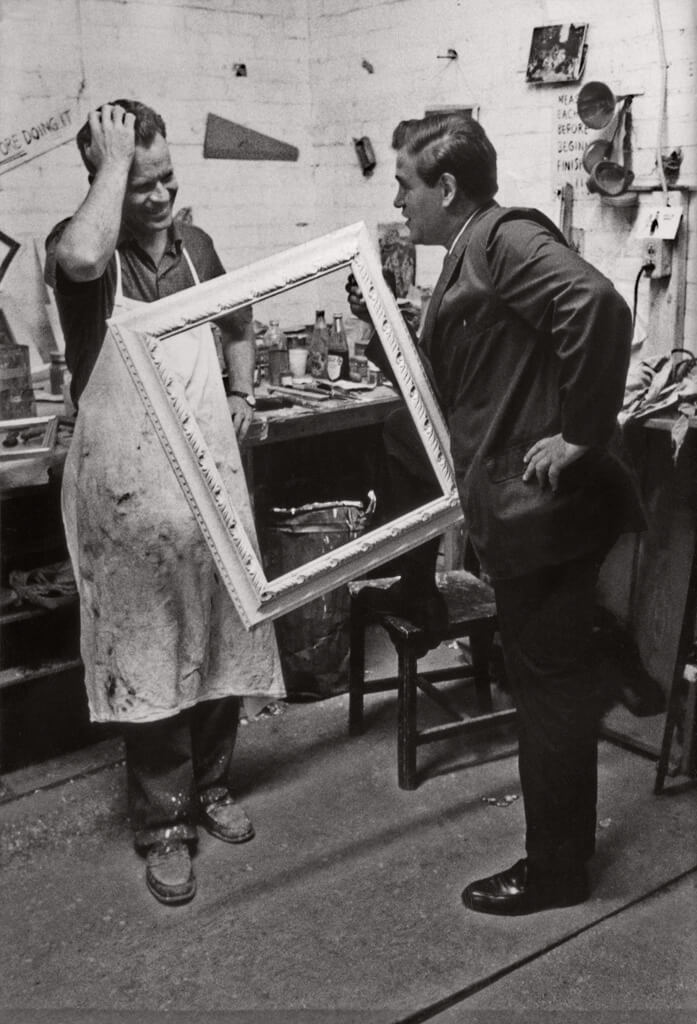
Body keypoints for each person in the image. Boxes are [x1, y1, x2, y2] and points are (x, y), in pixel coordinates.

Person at [349, 113, 645, 916]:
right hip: (518, 519)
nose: (399, 201)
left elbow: (597, 306)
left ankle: (555, 870)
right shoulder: (465, 253)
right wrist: (384, 333)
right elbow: (458, 381)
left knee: (545, 694)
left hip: (543, 519)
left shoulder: (503, 239)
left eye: (405, 185)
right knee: (544, 680)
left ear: (446, 187)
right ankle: (606, 656)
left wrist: (580, 435)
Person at [44, 100, 284, 906]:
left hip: (207, 484)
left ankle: (212, 784)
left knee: (221, 637)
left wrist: (244, 390)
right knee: (146, 656)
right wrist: (113, 167)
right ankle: (164, 822)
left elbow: (240, 321)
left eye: (166, 179)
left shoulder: (199, 246)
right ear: (106, 178)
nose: (158, 197)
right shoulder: (83, 250)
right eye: (140, 183)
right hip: (129, 497)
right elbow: (81, 257)